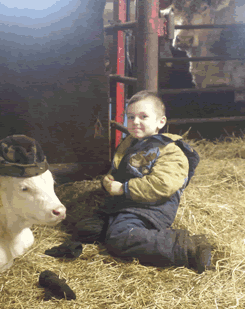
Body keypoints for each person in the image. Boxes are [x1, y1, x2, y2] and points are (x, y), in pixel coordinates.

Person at [74, 90, 212, 273]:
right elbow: (120, 169)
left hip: (152, 208)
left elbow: (163, 185)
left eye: (143, 116)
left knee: (119, 238)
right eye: (130, 117)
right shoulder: (130, 143)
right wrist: (108, 180)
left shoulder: (171, 151)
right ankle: (122, 229)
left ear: (160, 122)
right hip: (125, 203)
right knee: (85, 229)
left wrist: (123, 189)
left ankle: (187, 247)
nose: (135, 122)